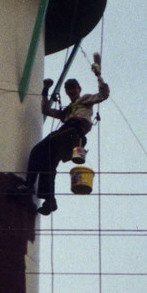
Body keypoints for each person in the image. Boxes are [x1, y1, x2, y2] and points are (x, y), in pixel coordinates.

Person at [24, 53, 109, 215]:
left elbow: (103, 95)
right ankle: (50, 201)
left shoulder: (85, 99)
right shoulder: (66, 111)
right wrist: (45, 91)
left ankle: (28, 185)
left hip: (72, 133)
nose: (71, 90)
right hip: (66, 139)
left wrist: (98, 75)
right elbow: (46, 110)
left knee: (37, 151)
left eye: (73, 87)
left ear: (79, 89)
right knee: (48, 164)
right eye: (68, 88)